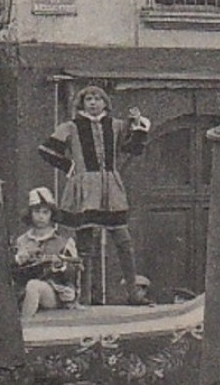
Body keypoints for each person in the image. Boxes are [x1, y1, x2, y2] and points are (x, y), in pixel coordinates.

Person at [38, 85, 150, 304]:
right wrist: (70, 166)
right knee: (85, 244)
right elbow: (46, 149)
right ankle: (84, 297)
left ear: (105, 103)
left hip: (111, 190)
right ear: (81, 103)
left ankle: (133, 294)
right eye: (88, 99)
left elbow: (134, 149)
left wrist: (138, 127)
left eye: (97, 98)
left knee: (123, 241)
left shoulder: (116, 126)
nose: (93, 102)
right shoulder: (71, 127)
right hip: (85, 190)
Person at [12, 187, 80, 318]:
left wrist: (61, 266)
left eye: (45, 212)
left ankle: (24, 327)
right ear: (30, 213)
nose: (41, 216)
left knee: (34, 286)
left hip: (55, 294)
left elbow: (74, 273)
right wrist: (21, 258)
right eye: (37, 212)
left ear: (51, 215)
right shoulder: (21, 241)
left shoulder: (64, 241)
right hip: (21, 292)